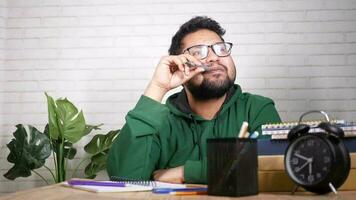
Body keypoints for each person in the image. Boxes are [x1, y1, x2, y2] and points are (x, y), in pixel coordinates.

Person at [107, 16, 281, 184]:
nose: (214, 57)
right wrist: (158, 87)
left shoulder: (257, 108)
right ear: (179, 65)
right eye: (199, 52)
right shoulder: (160, 122)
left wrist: (186, 173)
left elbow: (273, 167)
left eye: (220, 48)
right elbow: (123, 177)